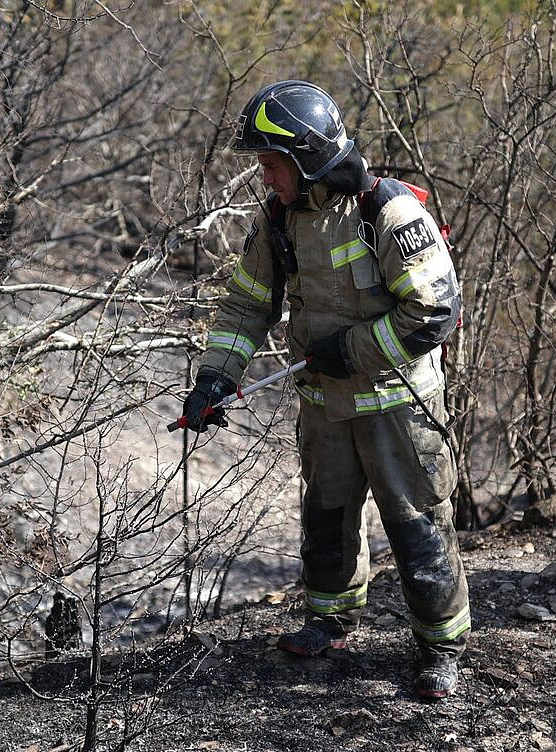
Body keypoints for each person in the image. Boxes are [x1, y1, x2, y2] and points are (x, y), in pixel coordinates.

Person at [183, 80, 470, 700]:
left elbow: (434, 312)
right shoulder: (280, 217)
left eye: (270, 164)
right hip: (323, 406)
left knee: (417, 526)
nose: (265, 179)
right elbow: (246, 304)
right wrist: (215, 377)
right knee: (327, 518)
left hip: (398, 405)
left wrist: (353, 351)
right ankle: (331, 621)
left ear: (307, 156)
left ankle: (439, 646)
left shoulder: (389, 213)